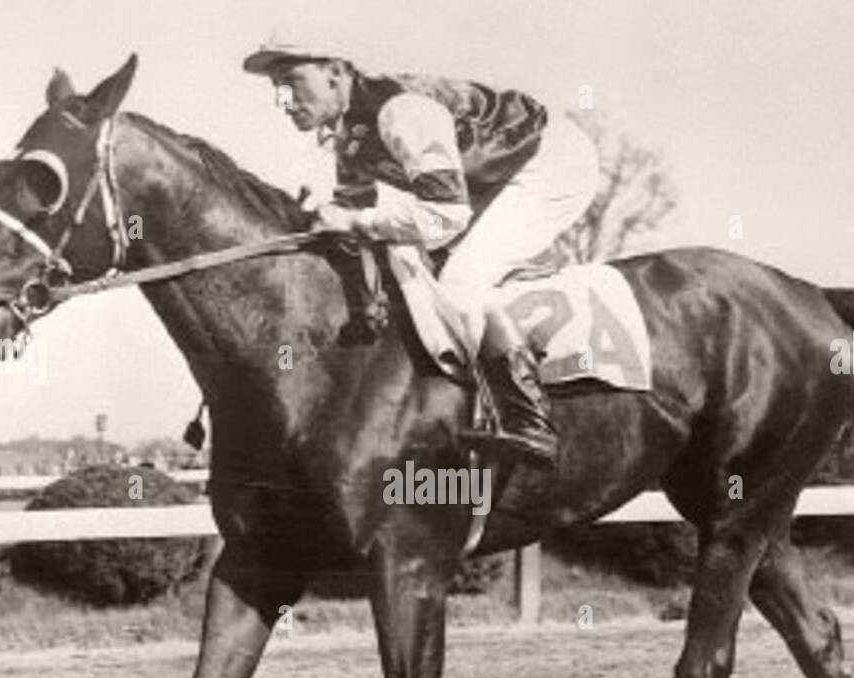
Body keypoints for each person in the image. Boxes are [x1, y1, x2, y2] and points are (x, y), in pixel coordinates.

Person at [243, 37, 600, 468]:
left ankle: (531, 419)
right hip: (497, 175)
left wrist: (352, 221)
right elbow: (355, 213)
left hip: (552, 163)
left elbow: (444, 215)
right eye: (275, 87)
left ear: (335, 73)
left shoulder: (400, 112)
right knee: (418, 272)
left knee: (462, 282)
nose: (282, 99)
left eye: (291, 81)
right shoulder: (348, 133)